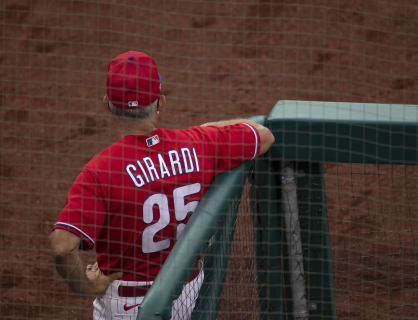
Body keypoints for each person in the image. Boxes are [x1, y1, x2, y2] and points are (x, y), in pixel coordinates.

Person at [49, 51, 275, 320]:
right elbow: (263, 135)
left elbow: (62, 245)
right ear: (161, 103)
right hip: (189, 293)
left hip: (129, 306)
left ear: (107, 104)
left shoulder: (99, 171)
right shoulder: (199, 144)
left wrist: (85, 285)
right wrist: (205, 132)